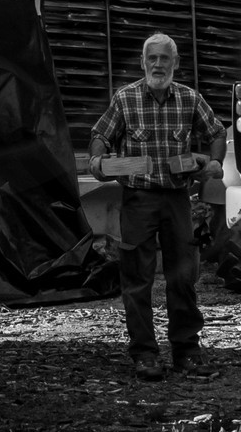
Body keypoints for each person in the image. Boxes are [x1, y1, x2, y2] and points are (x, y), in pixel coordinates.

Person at [89, 33, 220, 381]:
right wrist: (99, 159)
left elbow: (216, 133)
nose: (158, 65)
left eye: (164, 58)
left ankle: (187, 351)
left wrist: (214, 163)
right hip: (138, 201)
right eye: (152, 58)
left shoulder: (190, 99)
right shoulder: (125, 98)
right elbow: (101, 135)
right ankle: (145, 354)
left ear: (175, 63)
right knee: (137, 279)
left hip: (177, 200)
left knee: (183, 277)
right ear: (143, 62)